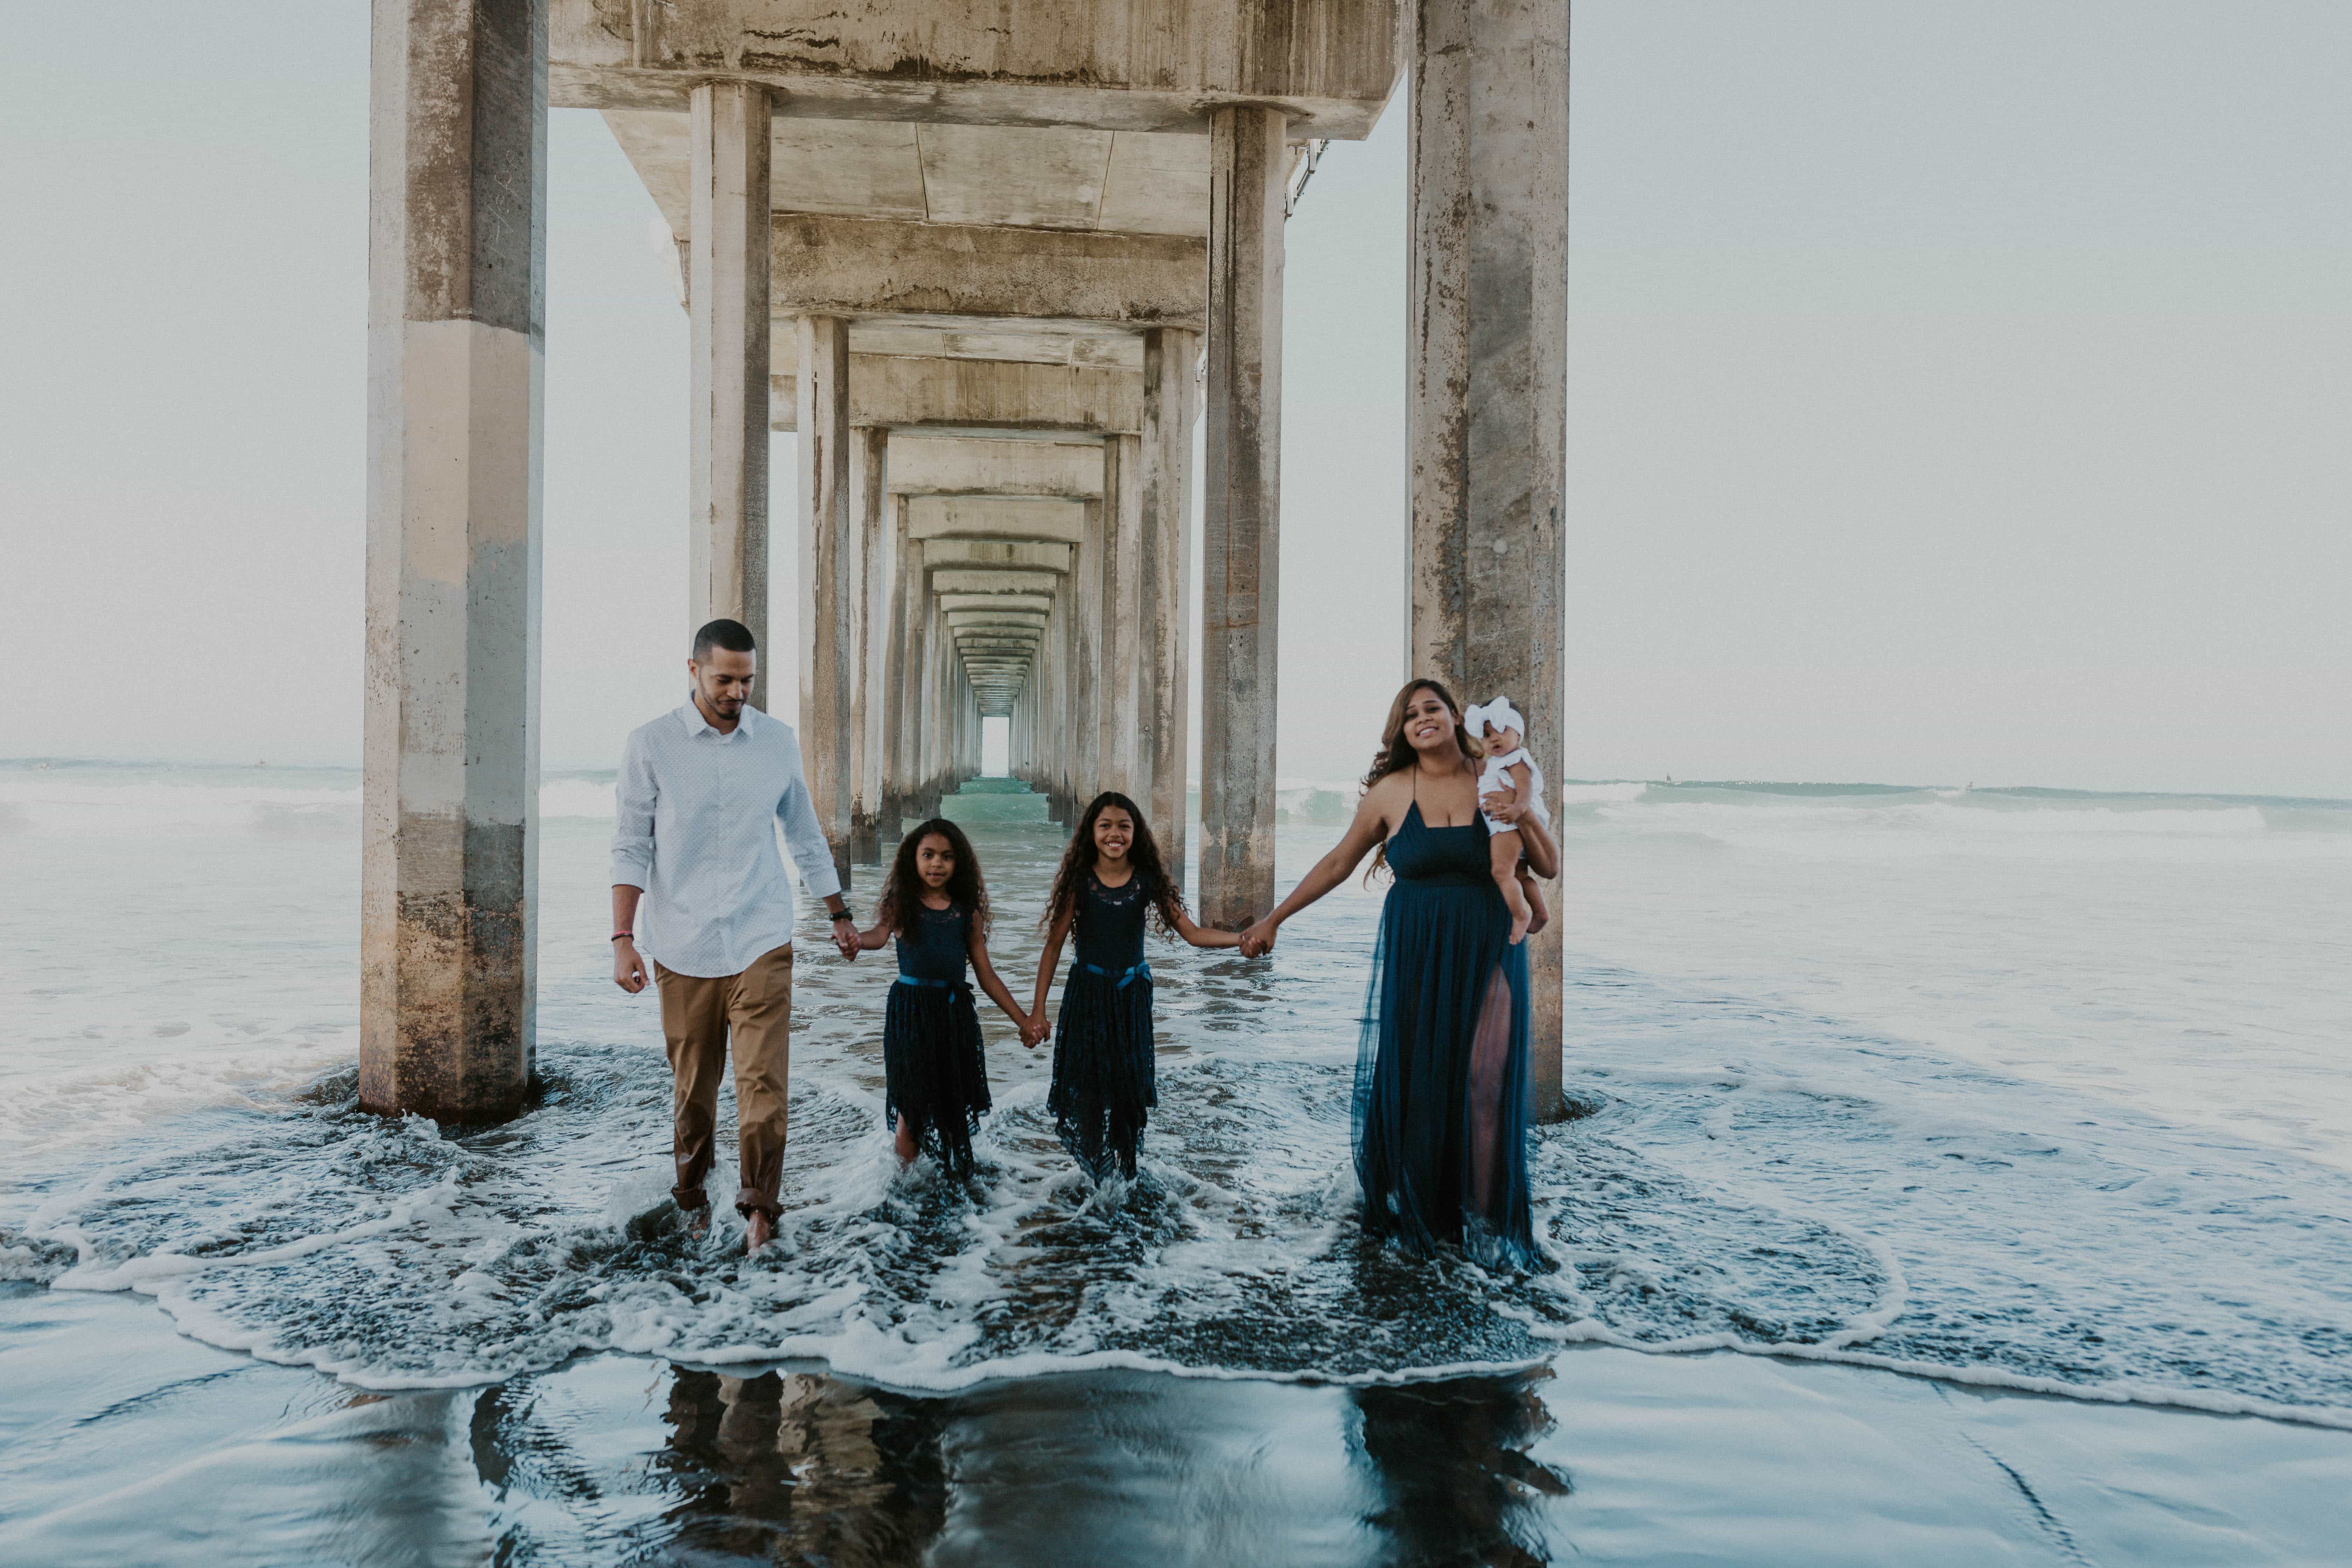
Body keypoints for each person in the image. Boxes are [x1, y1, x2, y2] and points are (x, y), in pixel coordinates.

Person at [1239, 680, 1560, 1270]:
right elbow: (1338, 863)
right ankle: (1423, 1213)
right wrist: (1275, 918)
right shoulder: (1390, 793)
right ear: (1402, 731)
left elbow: (1546, 864)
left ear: (1455, 716)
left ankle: (1490, 1227)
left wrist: (1524, 814)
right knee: (1419, 1082)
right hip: (1417, 948)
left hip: (1488, 943)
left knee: (1487, 1082)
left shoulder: (1492, 775)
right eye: (1410, 715)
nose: (1422, 719)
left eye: (1432, 708)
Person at [610, 618, 861, 1253]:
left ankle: (759, 1210)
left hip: (761, 935)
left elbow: (804, 834)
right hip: (683, 942)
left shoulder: (776, 742)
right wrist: (622, 937)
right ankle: (693, 1201)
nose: (737, 692)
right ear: (692, 669)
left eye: (747, 680)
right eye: (725, 679)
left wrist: (837, 913)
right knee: (693, 1092)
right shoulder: (651, 744)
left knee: (763, 1085)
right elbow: (631, 845)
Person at [1027, 791, 1245, 1182]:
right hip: (1087, 996)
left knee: (1128, 1096)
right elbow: (1053, 946)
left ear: (1136, 832)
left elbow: (1192, 934)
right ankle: (1098, 1182)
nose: (1115, 834)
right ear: (1091, 833)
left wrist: (1241, 939)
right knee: (1089, 1092)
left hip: (1131, 999)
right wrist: (1038, 1010)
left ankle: (1125, 1178)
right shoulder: (1081, 881)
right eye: (1105, 826)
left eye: (1123, 827)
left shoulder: (1147, 881)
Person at [848, 818, 1031, 1176]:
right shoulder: (901, 904)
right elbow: (878, 935)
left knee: (952, 1105)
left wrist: (1023, 1020)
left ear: (958, 862)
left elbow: (986, 975)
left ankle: (949, 1183)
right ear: (913, 860)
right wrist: (856, 941)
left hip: (954, 1016)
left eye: (946, 857)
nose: (936, 864)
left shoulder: (967, 914)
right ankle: (901, 1186)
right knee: (911, 1105)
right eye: (928, 855)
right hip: (910, 1015)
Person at [1462, 696, 1551, 943]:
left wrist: (1516, 810)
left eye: (1501, 731)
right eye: (1487, 735)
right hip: (1506, 820)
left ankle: (1520, 915)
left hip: (1507, 821)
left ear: (1519, 736)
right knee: (1519, 874)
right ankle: (1540, 913)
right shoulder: (1498, 762)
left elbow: (1525, 790)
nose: (1494, 739)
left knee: (1501, 872)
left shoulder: (1517, 759)